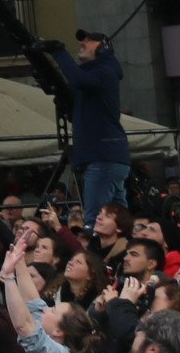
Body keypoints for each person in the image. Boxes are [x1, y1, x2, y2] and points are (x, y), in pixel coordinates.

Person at [43, 30, 130, 224]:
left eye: (89, 40)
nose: (82, 42)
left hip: (102, 157)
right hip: (106, 155)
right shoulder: (99, 75)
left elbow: (79, 79)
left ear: (103, 47)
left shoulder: (104, 70)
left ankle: (97, 253)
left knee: (95, 220)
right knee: (117, 221)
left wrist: (59, 52)